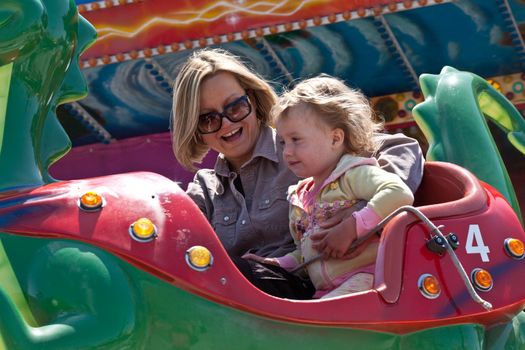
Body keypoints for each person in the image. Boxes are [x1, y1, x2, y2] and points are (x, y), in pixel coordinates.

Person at [171, 48, 424, 299]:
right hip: (240, 298)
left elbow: (400, 148)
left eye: (235, 107)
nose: (227, 122)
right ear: (194, 127)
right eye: (208, 119)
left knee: (229, 278)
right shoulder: (204, 189)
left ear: (254, 100)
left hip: (308, 288)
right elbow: (176, 241)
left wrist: (361, 212)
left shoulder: (304, 149)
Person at [243, 75, 414, 298]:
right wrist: (276, 263)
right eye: (283, 142)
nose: (287, 151)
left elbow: (399, 194)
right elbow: (305, 251)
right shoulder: (299, 196)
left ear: (335, 139)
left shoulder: (352, 173)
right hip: (326, 290)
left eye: (296, 139)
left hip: (367, 280)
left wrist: (351, 227)